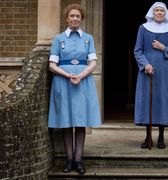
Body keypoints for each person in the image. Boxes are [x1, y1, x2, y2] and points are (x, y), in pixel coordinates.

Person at [48, 4, 101, 174]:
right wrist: (68, 75)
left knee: (80, 122)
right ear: (66, 18)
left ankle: (79, 161)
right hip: (63, 83)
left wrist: (80, 75)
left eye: (78, 16)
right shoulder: (58, 39)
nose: (75, 19)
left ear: (82, 19)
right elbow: (52, 65)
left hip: (82, 83)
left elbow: (93, 62)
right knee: (66, 122)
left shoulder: (88, 38)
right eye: (72, 16)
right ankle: (68, 160)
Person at [133, 2, 168, 149]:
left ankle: (161, 137)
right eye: (156, 11)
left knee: (162, 101)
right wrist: (145, 65)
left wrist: (163, 47)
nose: (159, 13)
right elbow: (137, 51)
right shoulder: (143, 28)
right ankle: (148, 137)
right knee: (148, 101)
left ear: (165, 14)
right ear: (152, 13)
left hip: (165, 72)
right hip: (147, 71)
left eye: (161, 11)